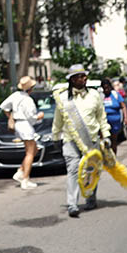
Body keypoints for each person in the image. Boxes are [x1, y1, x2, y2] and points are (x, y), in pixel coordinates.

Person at [52, 65, 110, 217]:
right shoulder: (63, 98)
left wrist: (106, 135)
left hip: (91, 139)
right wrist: (55, 137)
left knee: (91, 170)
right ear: (72, 80)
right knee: (72, 170)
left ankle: (91, 198)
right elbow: (58, 119)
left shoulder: (94, 95)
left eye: (84, 76)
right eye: (80, 76)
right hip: (70, 140)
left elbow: (101, 116)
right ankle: (72, 204)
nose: (84, 78)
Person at [0, 76, 44, 189]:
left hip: (18, 124)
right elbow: (32, 118)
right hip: (25, 125)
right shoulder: (28, 100)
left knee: (34, 149)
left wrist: (11, 117)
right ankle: (25, 179)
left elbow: (4, 106)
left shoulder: (15, 96)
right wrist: (39, 116)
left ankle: (20, 171)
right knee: (30, 152)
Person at [101, 79, 127, 153]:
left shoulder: (115, 95)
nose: (106, 90)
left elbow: (123, 106)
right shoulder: (100, 96)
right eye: (104, 88)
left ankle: (114, 159)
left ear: (110, 87)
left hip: (115, 122)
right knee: (105, 141)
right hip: (104, 123)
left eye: (107, 88)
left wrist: (125, 118)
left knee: (114, 141)